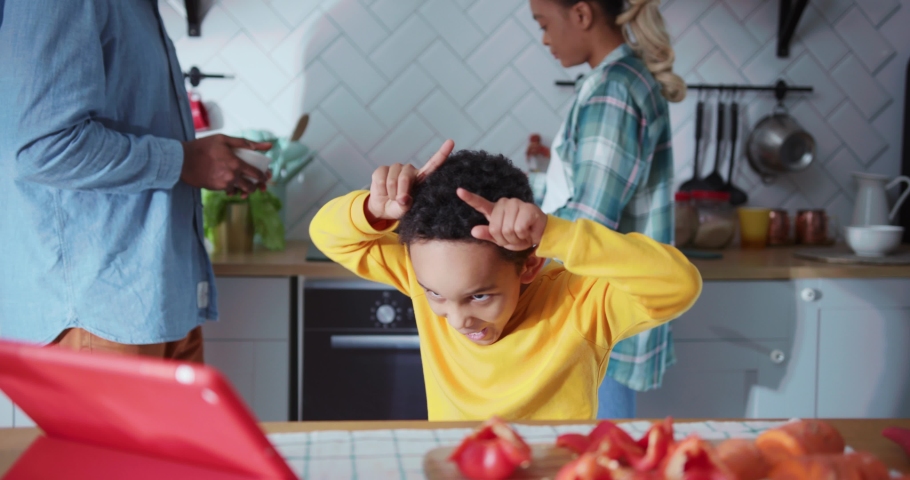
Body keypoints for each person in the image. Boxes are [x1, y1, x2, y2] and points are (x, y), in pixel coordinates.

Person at [309, 142, 701, 420]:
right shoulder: (421, 276)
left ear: (529, 265)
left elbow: (678, 284)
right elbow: (327, 235)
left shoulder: (579, 305)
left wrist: (555, 233)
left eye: (479, 296)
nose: (457, 318)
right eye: (436, 295)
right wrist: (373, 208)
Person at [0, 0, 271, 361]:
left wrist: (200, 162)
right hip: (98, 316)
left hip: (160, 306)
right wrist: (185, 160)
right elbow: (42, 147)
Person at [527, 0, 688, 418]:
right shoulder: (621, 78)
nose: (543, 38)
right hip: (610, 306)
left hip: (599, 314)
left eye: (544, 23)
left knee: (599, 454)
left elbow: (589, 220)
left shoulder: (614, 88)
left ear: (581, 14)